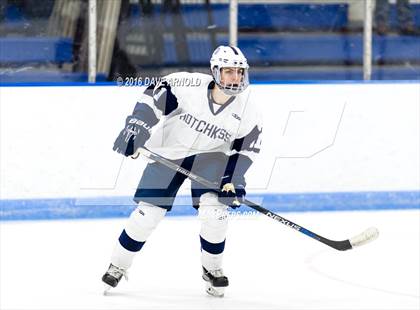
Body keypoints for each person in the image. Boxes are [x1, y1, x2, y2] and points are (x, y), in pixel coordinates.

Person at [102, 45, 263, 297]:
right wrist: (137, 127)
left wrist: (233, 179)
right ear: (215, 71)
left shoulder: (248, 110)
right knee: (147, 214)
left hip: (211, 159)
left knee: (215, 214)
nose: (235, 77)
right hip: (169, 153)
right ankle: (118, 265)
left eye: (239, 72)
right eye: (229, 71)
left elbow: (246, 150)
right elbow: (150, 102)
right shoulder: (186, 85)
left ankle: (213, 271)